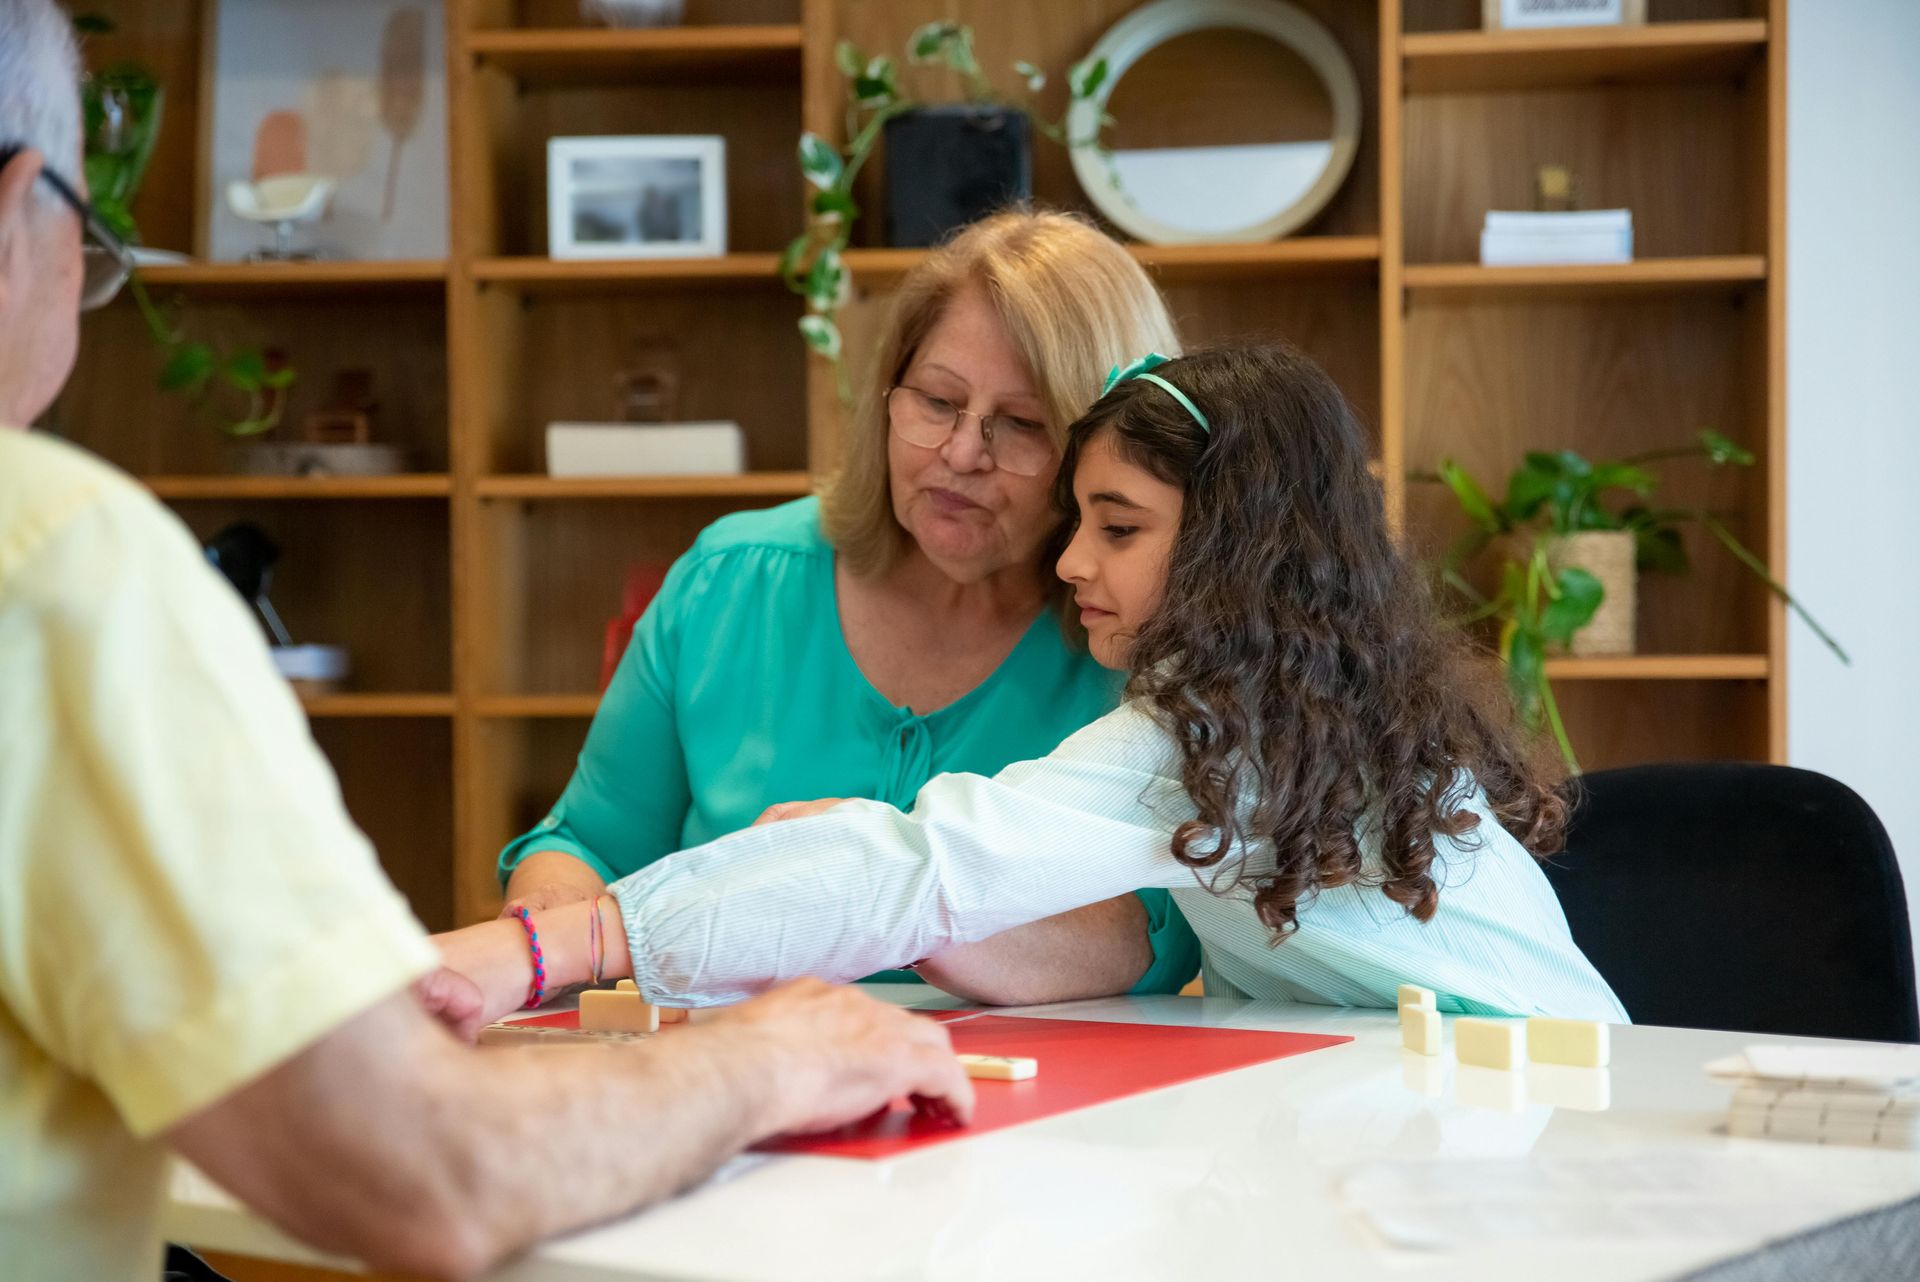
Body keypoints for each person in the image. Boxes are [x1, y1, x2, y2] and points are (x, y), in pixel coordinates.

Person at [0, 4, 969, 1277]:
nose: (963, 453)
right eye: (939, 405)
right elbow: (428, 1170)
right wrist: (777, 1055)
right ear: (26, 212)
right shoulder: (58, 558)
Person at [434, 345, 1627, 1025]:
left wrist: (545, 952)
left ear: (1232, 548)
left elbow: (928, 867)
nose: (1069, 563)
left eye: (1117, 529)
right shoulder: (1312, 705)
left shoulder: (1214, 735)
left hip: (1536, 1120)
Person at [498, 209, 1202, 1000]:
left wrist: (872, 887)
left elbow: (1156, 934)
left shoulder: (1144, 637)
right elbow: (590, 845)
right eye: (937, 402)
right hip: (726, 1065)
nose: (961, 453)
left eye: (1022, 425)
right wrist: (545, 938)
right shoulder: (731, 578)